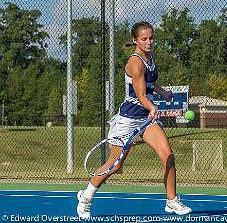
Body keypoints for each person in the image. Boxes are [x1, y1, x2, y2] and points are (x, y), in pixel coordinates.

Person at [77, 21, 192, 219]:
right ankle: (85, 197)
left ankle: (171, 201)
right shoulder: (135, 62)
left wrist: (162, 92)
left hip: (146, 120)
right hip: (129, 119)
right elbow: (140, 95)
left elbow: (150, 84)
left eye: (151, 38)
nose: (149, 42)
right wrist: (152, 107)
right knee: (115, 165)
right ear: (135, 40)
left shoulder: (150, 57)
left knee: (168, 156)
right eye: (144, 39)